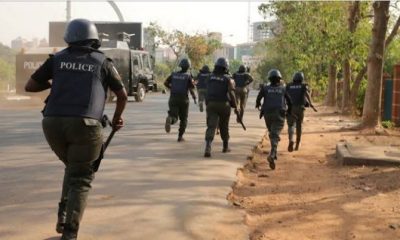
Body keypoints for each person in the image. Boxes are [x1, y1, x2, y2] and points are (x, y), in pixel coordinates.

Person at [25, 18, 128, 240]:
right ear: (94, 39)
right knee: (81, 177)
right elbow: (122, 95)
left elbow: (30, 86)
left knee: (73, 168)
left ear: (69, 37)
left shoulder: (57, 60)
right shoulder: (102, 62)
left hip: (51, 124)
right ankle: (70, 233)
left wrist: (56, 83)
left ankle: (63, 217)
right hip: (86, 126)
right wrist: (118, 119)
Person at [256, 69, 292, 170]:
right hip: (279, 114)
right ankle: (272, 154)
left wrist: (258, 105)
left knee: (272, 133)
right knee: (275, 135)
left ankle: (274, 153)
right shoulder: (283, 89)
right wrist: (289, 112)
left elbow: (258, 99)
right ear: (279, 79)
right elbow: (290, 102)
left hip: (267, 114)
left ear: (269, 79)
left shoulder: (265, 88)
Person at [204, 57, 238, 157]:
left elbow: (208, 90)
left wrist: (207, 103)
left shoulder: (209, 77)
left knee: (211, 126)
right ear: (225, 68)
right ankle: (225, 147)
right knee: (224, 126)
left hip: (211, 104)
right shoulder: (228, 79)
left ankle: (208, 146)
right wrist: (235, 106)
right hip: (224, 105)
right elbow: (231, 94)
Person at [164, 58, 197, 142]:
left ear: (180, 66)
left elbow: (165, 83)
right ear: (188, 67)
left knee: (174, 116)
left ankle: (170, 119)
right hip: (183, 99)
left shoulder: (174, 74)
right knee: (183, 119)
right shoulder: (188, 76)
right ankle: (180, 136)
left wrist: (172, 88)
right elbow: (192, 88)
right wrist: (194, 97)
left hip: (173, 98)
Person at [286, 72, 314, 151]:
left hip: (291, 109)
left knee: (291, 125)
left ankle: (291, 139)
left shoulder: (288, 86)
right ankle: (297, 145)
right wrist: (311, 104)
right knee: (299, 126)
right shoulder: (303, 86)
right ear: (302, 78)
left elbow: (284, 96)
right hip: (300, 109)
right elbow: (307, 94)